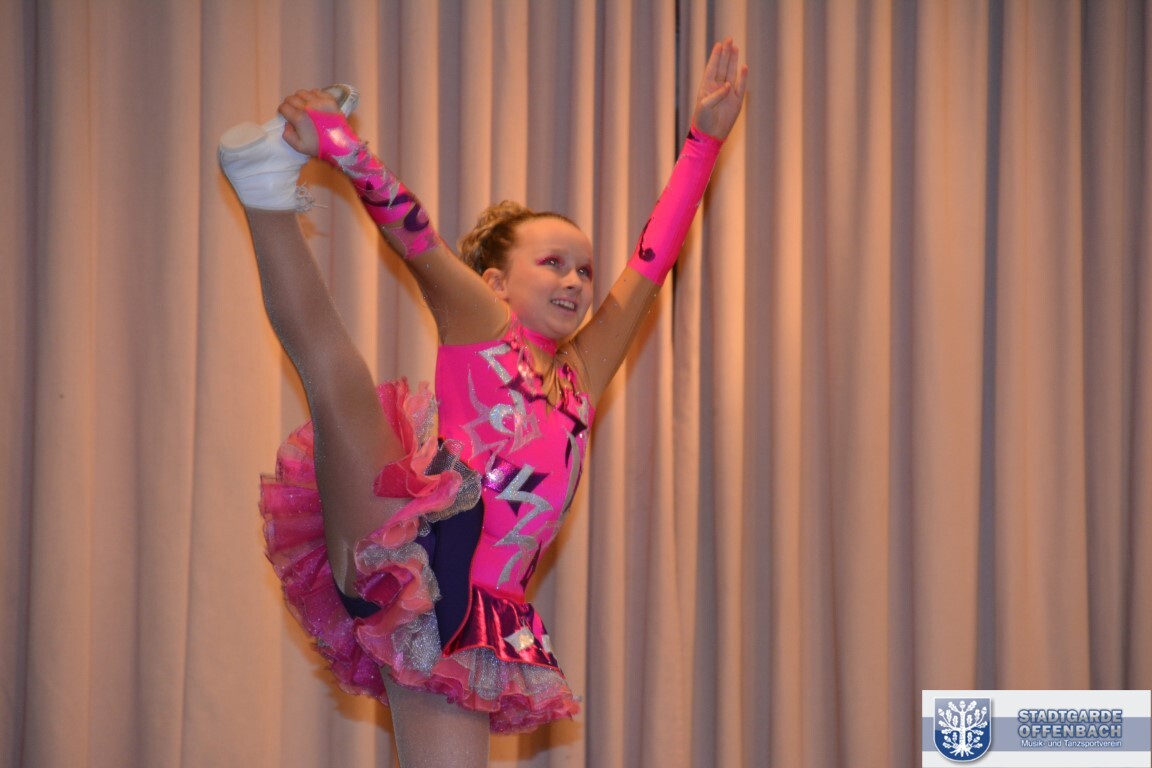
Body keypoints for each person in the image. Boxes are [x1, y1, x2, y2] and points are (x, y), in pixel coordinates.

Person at [219, 38, 747, 768]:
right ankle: (264, 187)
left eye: (584, 270)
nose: (576, 281)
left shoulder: (582, 378)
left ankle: (261, 184)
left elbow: (651, 265)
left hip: (474, 612)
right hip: (413, 545)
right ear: (496, 281)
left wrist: (703, 143)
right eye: (553, 263)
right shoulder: (482, 324)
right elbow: (415, 237)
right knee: (341, 376)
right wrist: (344, 149)